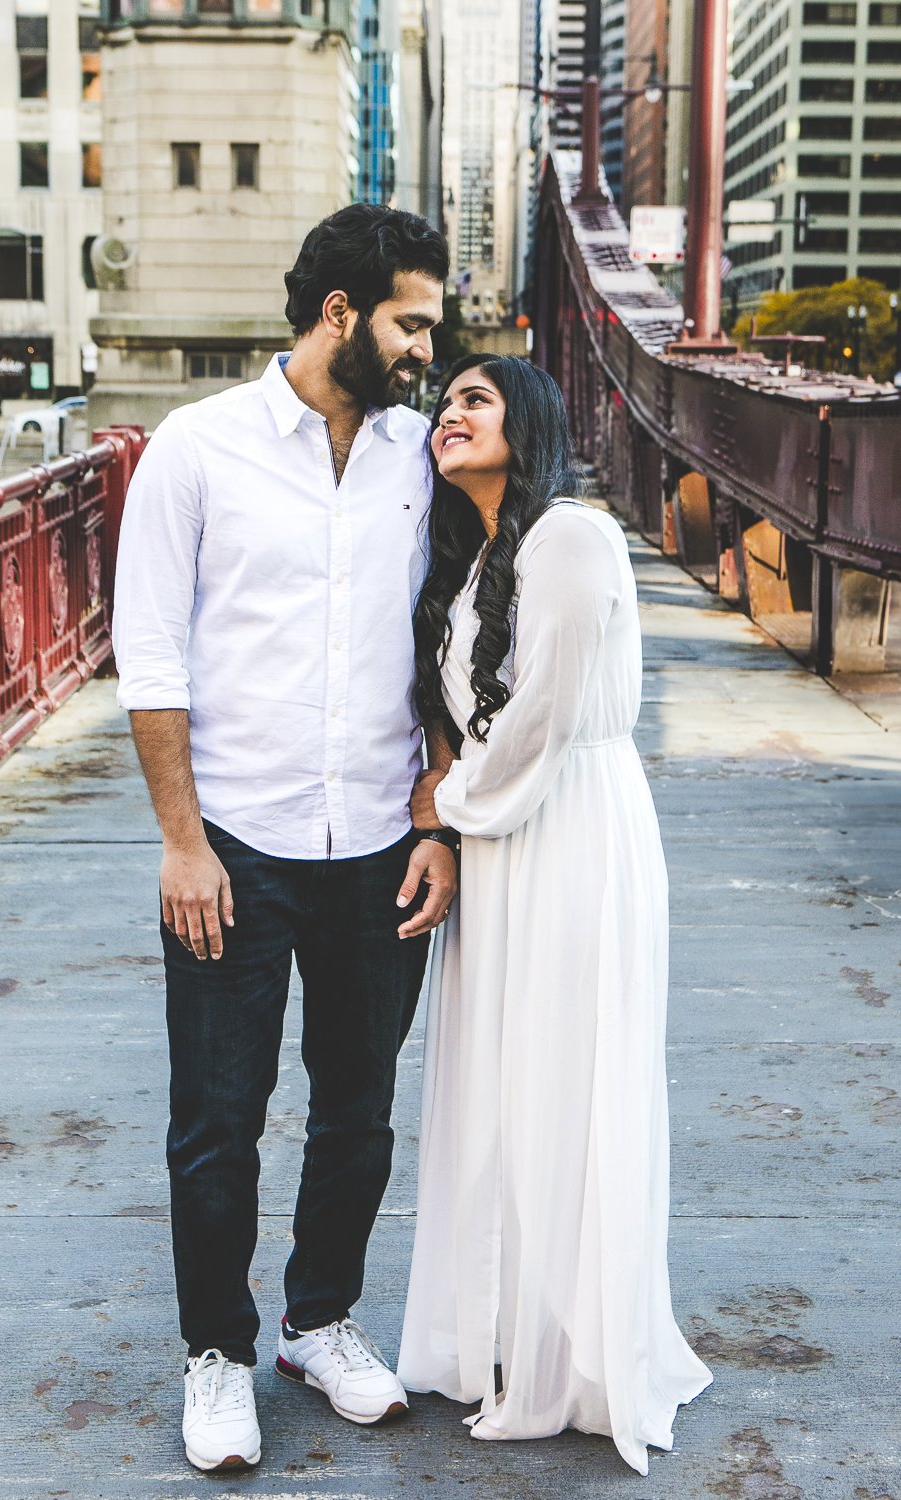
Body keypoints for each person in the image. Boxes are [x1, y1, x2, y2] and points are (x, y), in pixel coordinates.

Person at [112, 204, 458, 1474]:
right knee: (217, 1114)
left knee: (359, 1108)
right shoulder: (194, 448)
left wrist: (437, 817)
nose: (426, 347)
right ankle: (217, 1354)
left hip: (377, 839)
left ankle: (319, 1322)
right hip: (237, 842)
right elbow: (148, 656)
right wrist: (181, 841)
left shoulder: (425, 456)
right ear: (338, 316)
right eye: (411, 322)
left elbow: (460, 648)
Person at [396, 355, 712, 1475]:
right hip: (500, 840)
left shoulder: (569, 534)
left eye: (473, 399)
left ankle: (570, 1358)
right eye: (441, 404)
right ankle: (493, 1334)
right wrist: (457, 815)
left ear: (525, 423)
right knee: (495, 1082)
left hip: (569, 827)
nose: (450, 415)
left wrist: (452, 806)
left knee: (568, 1077)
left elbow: (548, 713)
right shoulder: (475, 558)